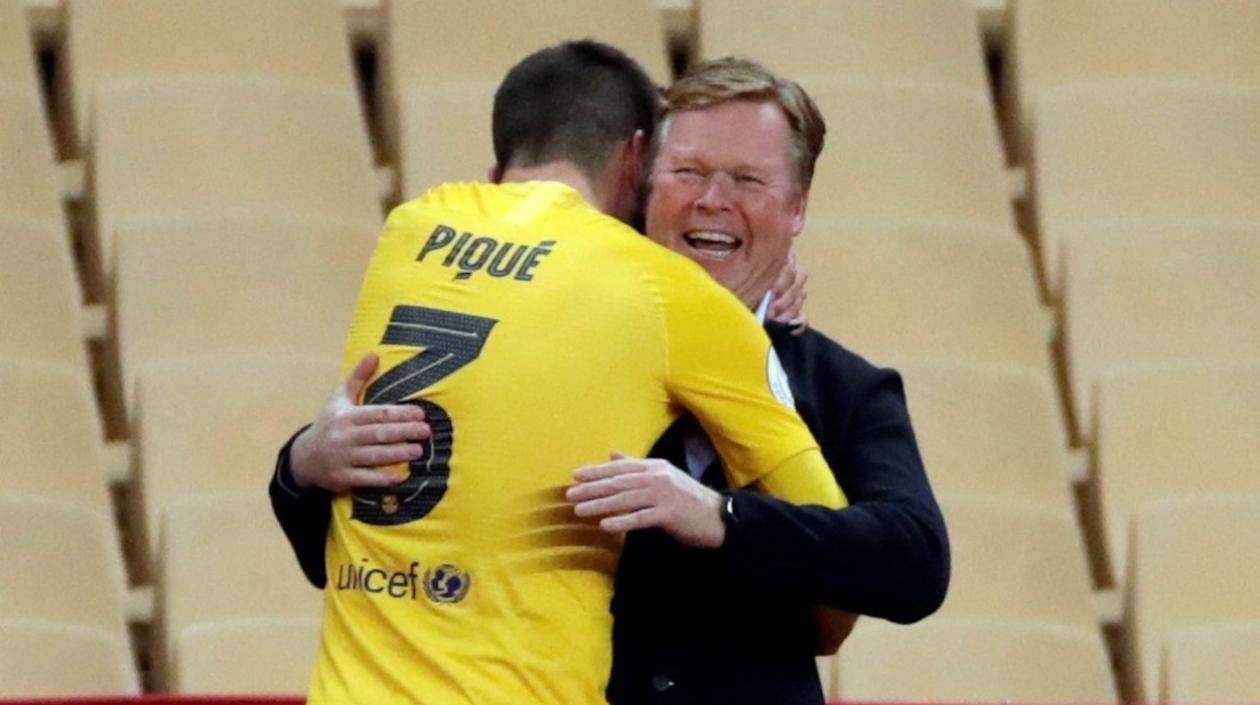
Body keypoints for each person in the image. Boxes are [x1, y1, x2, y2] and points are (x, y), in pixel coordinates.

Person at [273, 55, 949, 705]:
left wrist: (721, 518)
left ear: (797, 207)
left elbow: (914, 564)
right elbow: (367, 552)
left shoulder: (842, 385)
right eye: (687, 171)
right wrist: (303, 467)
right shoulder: (529, 344)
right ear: (639, 186)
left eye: (747, 180)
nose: (713, 200)